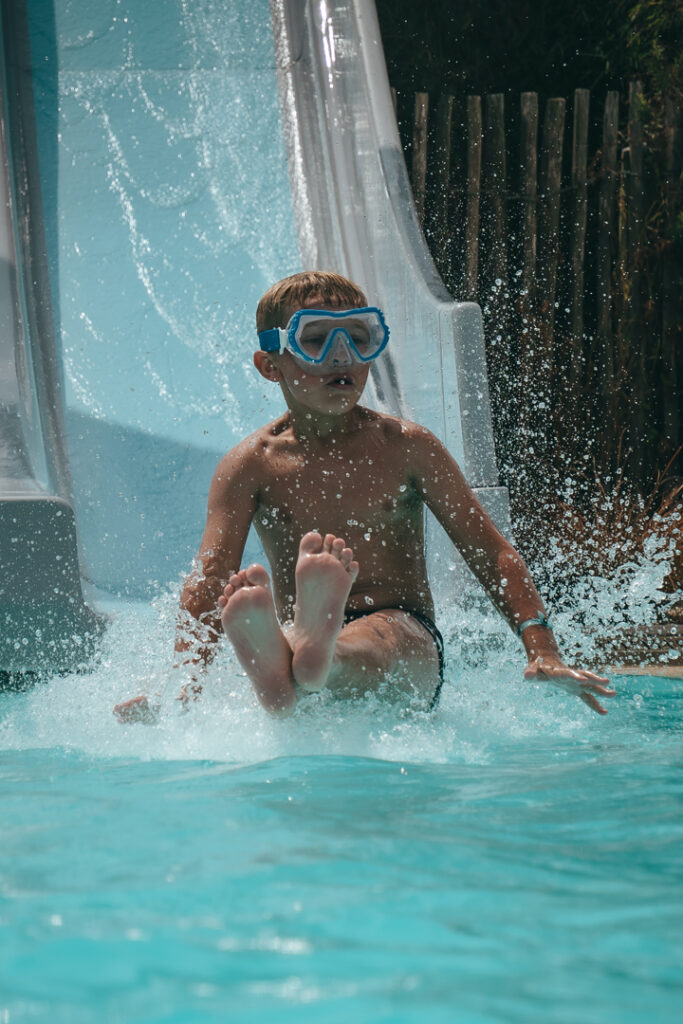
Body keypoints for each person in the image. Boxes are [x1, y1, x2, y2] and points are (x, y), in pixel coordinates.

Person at [114, 270, 615, 722]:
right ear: (271, 365)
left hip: (405, 631)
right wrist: (177, 686)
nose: (342, 355)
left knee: (374, 643)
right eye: (316, 340)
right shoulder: (251, 465)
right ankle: (301, 662)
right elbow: (208, 583)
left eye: (358, 338)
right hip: (305, 638)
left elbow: (491, 553)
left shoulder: (407, 447)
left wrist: (542, 647)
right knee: (307, 660)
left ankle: (298, 666)